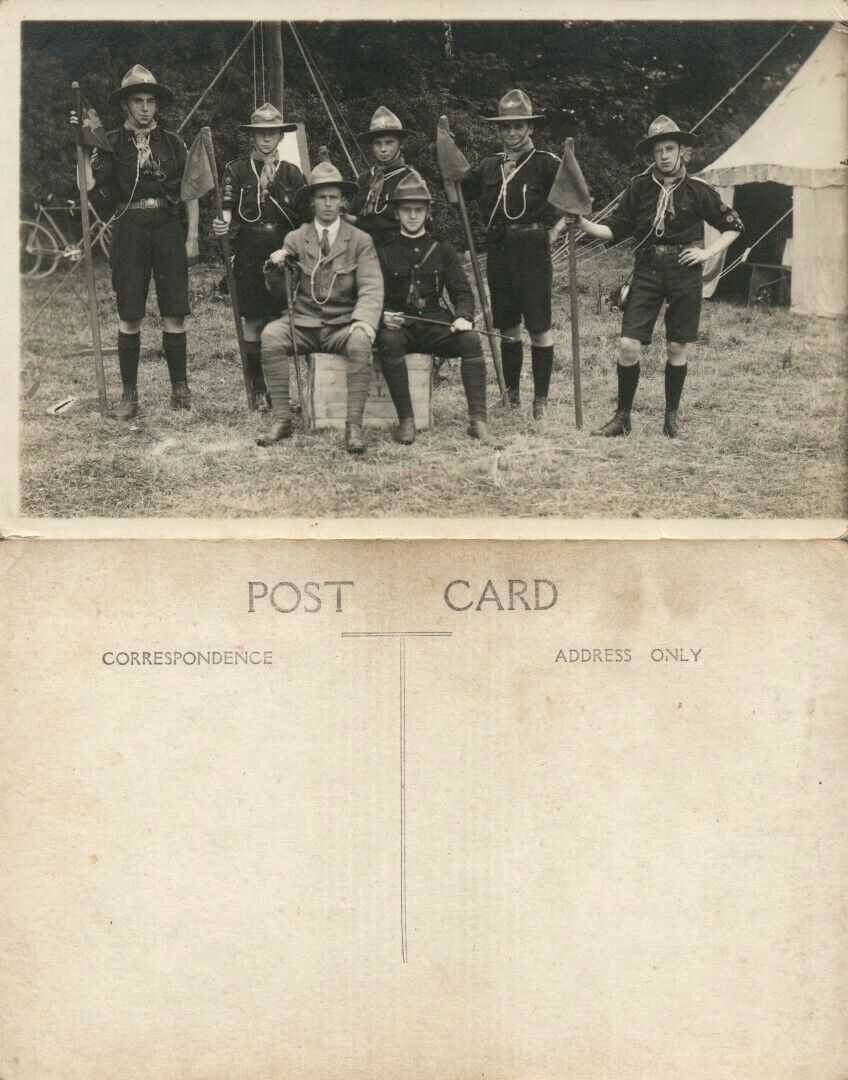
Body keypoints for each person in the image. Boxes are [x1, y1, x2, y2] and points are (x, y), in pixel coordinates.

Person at [579, 115, 744, 438]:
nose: (664, 156)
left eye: (671, 148)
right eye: (658, 150)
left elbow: (733, 226)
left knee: (676, 348)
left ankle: (671, 418)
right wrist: (583, 224)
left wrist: (707, 254)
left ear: (683, 151)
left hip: (684, 272)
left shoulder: (699, 189)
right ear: (652, 155)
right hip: (647, 270)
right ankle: (622, 418)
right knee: (628, 345)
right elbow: (614, 228)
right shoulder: (638, 187)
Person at [73, 65, 199, 420]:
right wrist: (82, 148)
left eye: (150, 101)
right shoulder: (110, 142)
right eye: (137, 101)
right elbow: (87, 186)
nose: (145, 108)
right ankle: (129, 395)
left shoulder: (172, 142)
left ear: (156, 105)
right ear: (126, 105)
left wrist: (192, 236)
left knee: (175, 310)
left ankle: (180, 389)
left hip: (168, 228)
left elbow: (190, 191)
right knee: (130, 314)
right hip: (128, 230)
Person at [259, 161, 384, 454]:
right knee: (270, 336)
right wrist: (275, 267)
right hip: (303, 323)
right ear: (312, 202)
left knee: (361, 341)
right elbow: (282, 292)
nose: (328, 204)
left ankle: (353, 426)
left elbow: (371, 287)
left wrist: (364, 321)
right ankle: (282, 419)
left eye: (334, 197)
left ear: (343, 202)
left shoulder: (360, 240)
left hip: (341, 325)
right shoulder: (295, 238)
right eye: (321, 198)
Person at [462, 89, 568, 419]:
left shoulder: (547, 164)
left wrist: (554, 232)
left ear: (530, 127)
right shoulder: (488, 166)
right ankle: (511, 395)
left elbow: (577, 202)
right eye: (506, 127)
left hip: (533, 250)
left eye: (518, 126)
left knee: (538, 325)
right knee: (507, 324)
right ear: (499, 130)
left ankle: (541, 399)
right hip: (499, 251)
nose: (512, 133)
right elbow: (461, 195)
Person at [377, 172, 500, 447]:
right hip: (401, 326)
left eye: (418, 210)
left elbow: (462, 291)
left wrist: (463, 317)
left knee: (470, 340)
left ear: (427, 212)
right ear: (396, 213)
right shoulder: (384, 250)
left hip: (435, 323)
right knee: (388, 340)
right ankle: (406, 420)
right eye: (406, 210)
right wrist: (384, 315)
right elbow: (373, 293)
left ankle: (478, 421)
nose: (412, 216)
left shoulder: (442, 248)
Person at [211, 104, 307, 410]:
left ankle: (281, 393)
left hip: (283, 248)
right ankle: (258, 391)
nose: (266, 139)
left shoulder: (292, 173)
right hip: (251, 247)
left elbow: (305, 215)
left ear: (280, 135)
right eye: (261, 134)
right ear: (252, 136)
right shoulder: (237, 169)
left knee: (281, 319)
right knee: (253, 320)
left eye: (272, 133)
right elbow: (227, 205)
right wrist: (222, 222)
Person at [346, 106, 418, 248]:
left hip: (400, 254)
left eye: (389, 142)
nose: (383, 149)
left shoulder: (410, 179)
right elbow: (354, 219)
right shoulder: (364, 179)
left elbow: (419, 225)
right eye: (377, 143)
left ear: (401, 143)